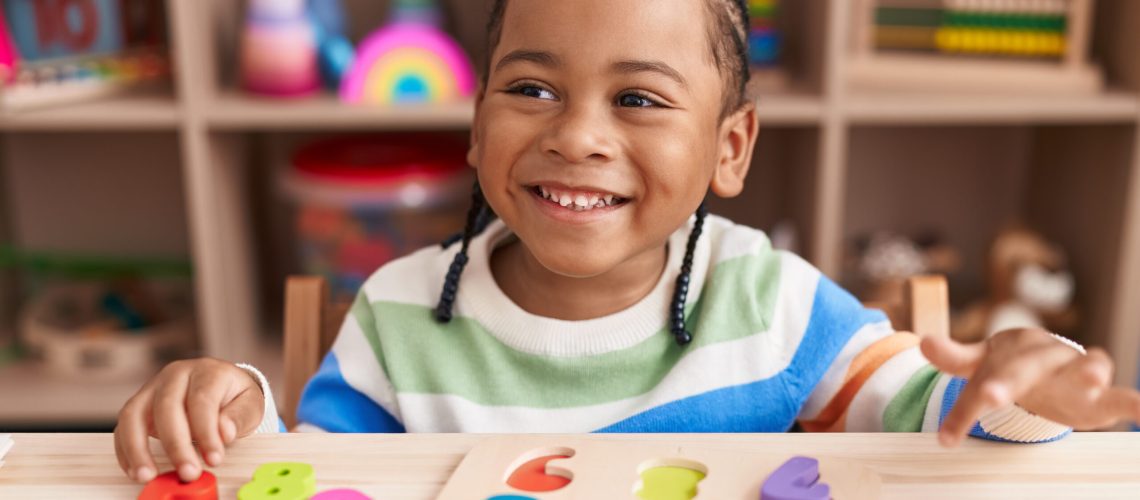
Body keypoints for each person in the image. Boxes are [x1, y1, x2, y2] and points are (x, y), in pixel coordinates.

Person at [114, 0, 1140, 484]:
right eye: (530, 89)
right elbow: (317, 477)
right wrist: (235, 401)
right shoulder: (396, 313)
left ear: (730, 146)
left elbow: (945, 426)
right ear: (475, 129)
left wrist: (1028, 390)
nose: (578, 134)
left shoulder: (775, 305)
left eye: (640, 98)